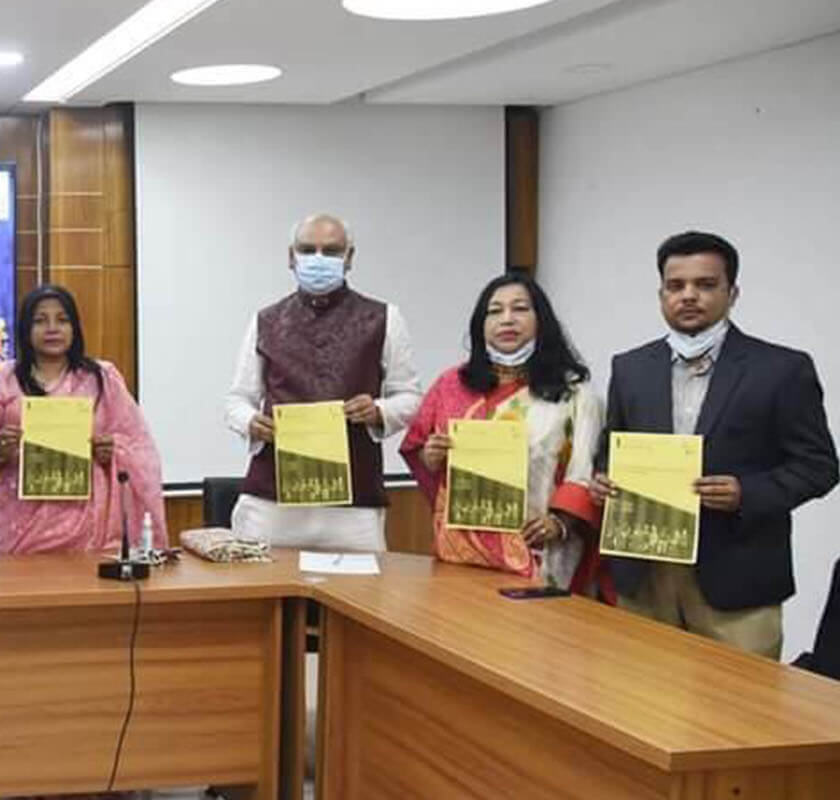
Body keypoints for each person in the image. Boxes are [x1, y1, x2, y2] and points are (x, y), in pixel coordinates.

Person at [592, 231, 837, 659]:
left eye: (705, 284)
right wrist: (602, 480)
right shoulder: (630, 367)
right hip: (645, 574)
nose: (688, 295)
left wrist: (747, 493)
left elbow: (819, 466)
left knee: (741, 699)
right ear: (661, 294)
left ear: (732, 292)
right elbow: (609, 451)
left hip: (737, 579)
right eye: (676, 285)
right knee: (640, 692)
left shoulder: (781, 369)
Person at [222, 213, 421, 551]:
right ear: (291, 257)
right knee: (259, 583)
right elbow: (237, 399)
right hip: (272, 500)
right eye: (306, 249)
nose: (318, 259)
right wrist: (250, 421)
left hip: (353, 503)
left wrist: (378, 410)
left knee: (361, 584)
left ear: (349, 258)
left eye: (330, 251)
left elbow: (410, 397)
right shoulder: (265, 320)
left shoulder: (385, 318)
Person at [401, 274, 606, 593]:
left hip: (537, 555)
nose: (507, 319)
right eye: (495, 311)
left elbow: (585, 472)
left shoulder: (575, 394)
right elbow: (419, 452)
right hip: (459, 557)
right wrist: (431, 457)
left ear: (541, 319)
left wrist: (560, 524)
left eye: (520, 308)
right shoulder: (450, 385)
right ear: (480, 325)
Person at [0, 285, 167, 554]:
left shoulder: (102, 378)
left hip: (88, 525)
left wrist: (110, 452)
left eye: (62, 320)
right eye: (40, 321)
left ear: (74, 328)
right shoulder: (3, 378)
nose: (52, 328)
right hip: (18, 524)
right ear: (26, 329)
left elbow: (138, 446)